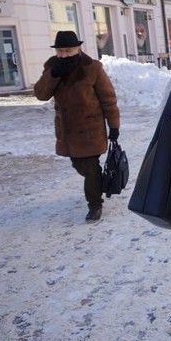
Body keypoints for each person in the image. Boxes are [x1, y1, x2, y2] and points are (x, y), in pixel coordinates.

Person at [34, 30, 120, 222]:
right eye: (61, 51)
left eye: (68, 51)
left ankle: (94, 205)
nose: (64, 55)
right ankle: (98, 183)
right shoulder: (52, 67)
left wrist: (114, 126)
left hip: (90, 129)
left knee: (90, 167)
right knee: (79, 165)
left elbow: (108, 99)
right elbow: (40, 94)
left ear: (78, 49)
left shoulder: (92, 68)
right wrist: (53, 75)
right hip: (67, 131)